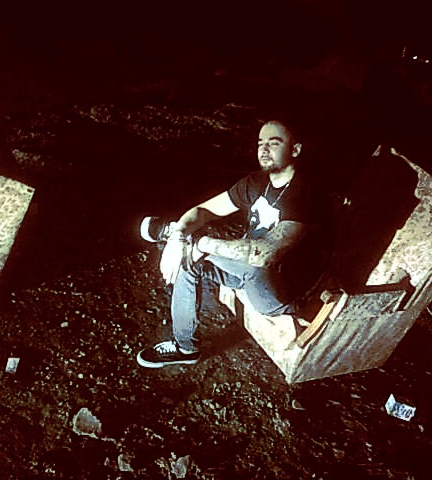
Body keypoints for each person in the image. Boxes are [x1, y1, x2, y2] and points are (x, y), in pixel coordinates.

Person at [137, 119, 333, 368]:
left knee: (224, 256)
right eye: (260, 143)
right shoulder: (257, 182)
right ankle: (185, 347)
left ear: (295, 150)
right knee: (188, 260)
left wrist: (200, 243)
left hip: (284, 290)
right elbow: (205, 210)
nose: (264, 150)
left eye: (274, 144)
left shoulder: (306, 194)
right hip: (247, 271)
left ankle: (172, 233)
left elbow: (264, 255)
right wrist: (179, 237)